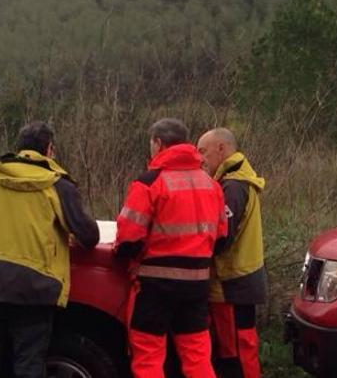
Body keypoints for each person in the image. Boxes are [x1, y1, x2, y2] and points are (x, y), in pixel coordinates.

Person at [0, 121, 99, 378]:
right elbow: (88, 236)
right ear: (49, 149)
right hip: (32, 287)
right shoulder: (57, 185)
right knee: (28, 362)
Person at [114, 118, 228, 378]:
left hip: (155, 286)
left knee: (149, 357)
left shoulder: (149, 182)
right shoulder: (211, 185)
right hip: (197, 283)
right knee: (197, 356)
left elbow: (129, 240)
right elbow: (221, 239)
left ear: (158, 143)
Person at [197, 127, 267, 378]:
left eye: (203, 152)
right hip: (238, 281)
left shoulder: (233, 186)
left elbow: (221, 236)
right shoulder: (236, 181)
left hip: (232, 284)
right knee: (238, 348)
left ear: (222, 149)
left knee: (235, 351)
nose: (199, 159)